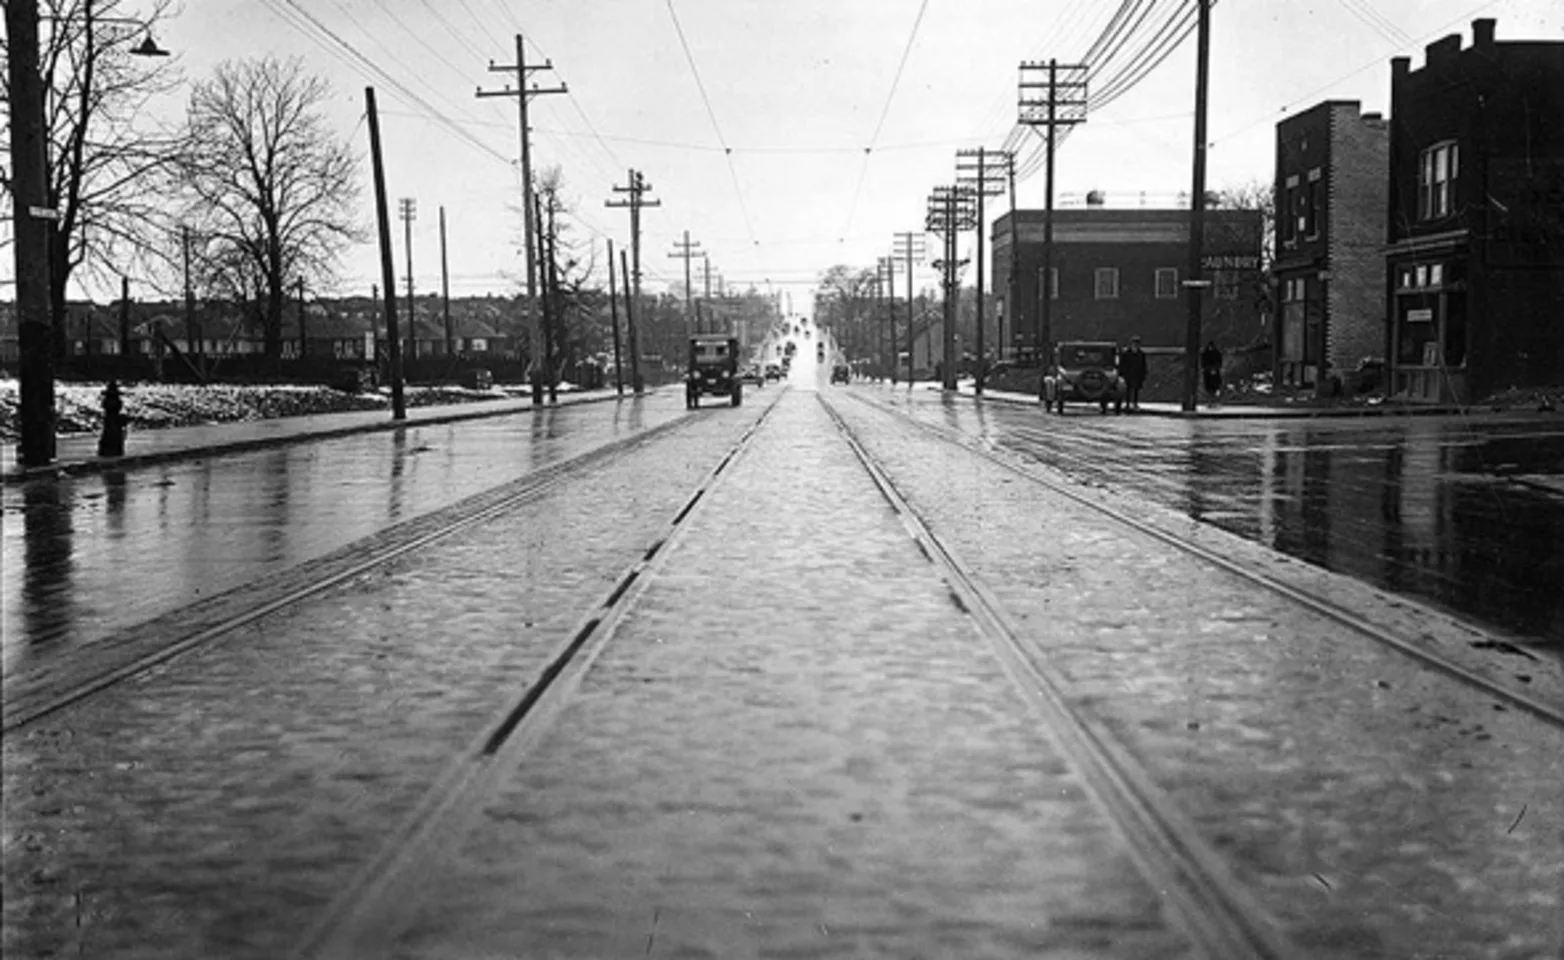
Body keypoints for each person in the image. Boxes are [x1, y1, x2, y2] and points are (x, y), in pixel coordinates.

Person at [1117, 336, 1148, 411]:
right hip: (1128, 374)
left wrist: (1144, 374)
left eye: (1137, 343)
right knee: (1128, 390)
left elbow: (1143, 365)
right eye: (1134, 343)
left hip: (1137, 374)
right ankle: (1127, 404)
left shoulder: (1141, 354)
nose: (1135, 345)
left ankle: (1135, 403)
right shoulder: (1126, 353)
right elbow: (1122, 364)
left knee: (1136, 390)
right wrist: (1121, 373)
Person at [98, 379, 126, 457]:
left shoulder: (107, 400)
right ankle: (113, 450)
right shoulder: (115, 400)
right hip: (113, 419)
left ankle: (109, 450)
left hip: (110, 419)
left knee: (110, 434)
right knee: (113, 434)